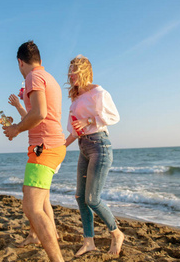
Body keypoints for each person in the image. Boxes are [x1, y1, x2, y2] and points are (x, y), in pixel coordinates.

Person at [3, 41, 66, 262]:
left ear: (20, 61)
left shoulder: (33, 77)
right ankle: (43, 236)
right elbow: (39, 113)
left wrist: (16, 129)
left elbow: (39, 113)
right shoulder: (49, 77)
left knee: (31, 207)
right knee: (40, 201)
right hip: (52, 145)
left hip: (45, 147)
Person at [64, 55, 125, 257]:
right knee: (80, 197)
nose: (70, 74)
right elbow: (74, 130)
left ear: (83, 72)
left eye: (74, 70)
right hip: (83, 147)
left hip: (100, 145)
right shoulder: (75, 97)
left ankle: (116, 233)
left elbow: (114, 116)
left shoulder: (97, 91)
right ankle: (89, 242)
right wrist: (62, 146)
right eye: (69, 70)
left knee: (92, 198)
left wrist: (89, 120)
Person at [8, 94, 60, 247]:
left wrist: (18, 107)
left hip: (45, 153)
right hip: (49, 151)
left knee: (34, 199)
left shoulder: (40, 109)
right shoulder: (41, 107)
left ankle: (44, 234)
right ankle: (41, 233)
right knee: (43, 199)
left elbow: (32, 121)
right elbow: (30, 120)